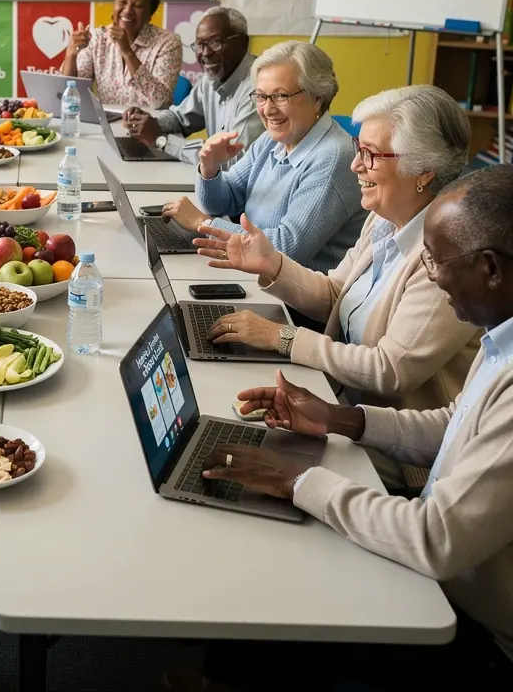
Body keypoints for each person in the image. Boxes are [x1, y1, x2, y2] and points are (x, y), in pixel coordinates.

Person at [201, 165, 513, 689]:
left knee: (277, 595)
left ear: (492, 270)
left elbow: (435, 538)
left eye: (436, 261)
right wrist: (340, 419)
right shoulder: (499, 336)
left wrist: (294, 479)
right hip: (443, 576)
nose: (431, 276)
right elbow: (455, 424)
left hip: (471, 629)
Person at [196, 86, 479, 421]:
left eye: (371, 155)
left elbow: (389, 371)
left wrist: (280, 337)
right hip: (337, 400)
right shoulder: (383, 220)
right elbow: (337, 294)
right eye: (359, 149)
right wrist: (272, 264)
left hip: (391, 445)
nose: (355, 165)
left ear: (424, 170)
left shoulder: (448, 257)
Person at [163, 41, 365, 272]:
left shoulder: (333, 158)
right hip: (254, 273)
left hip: (296, 300)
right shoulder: (274, 139)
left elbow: (285, 249)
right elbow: (222, 201)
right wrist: (209, 169)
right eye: (261, 96)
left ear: (318, 97)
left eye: (280, 96)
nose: (268, 110)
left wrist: (203, 223)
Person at [122, 6, 262, 165]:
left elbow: (231, 159)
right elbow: (180, 119)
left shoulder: (259, 89)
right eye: (200, 44)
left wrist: (162, 141)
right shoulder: (211, 79)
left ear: (243, 43)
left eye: (215, 42)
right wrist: (148, 123)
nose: (206, 52)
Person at [60, 0, 182, 108]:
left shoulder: (168, 43)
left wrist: (126, 51)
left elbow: (161, 102)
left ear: (150, 13)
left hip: (149, 126)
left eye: (138, 5)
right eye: (122, 2)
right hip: (107, 125)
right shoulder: (98, 38)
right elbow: (70, 94)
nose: (128, 10)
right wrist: (71, 55)